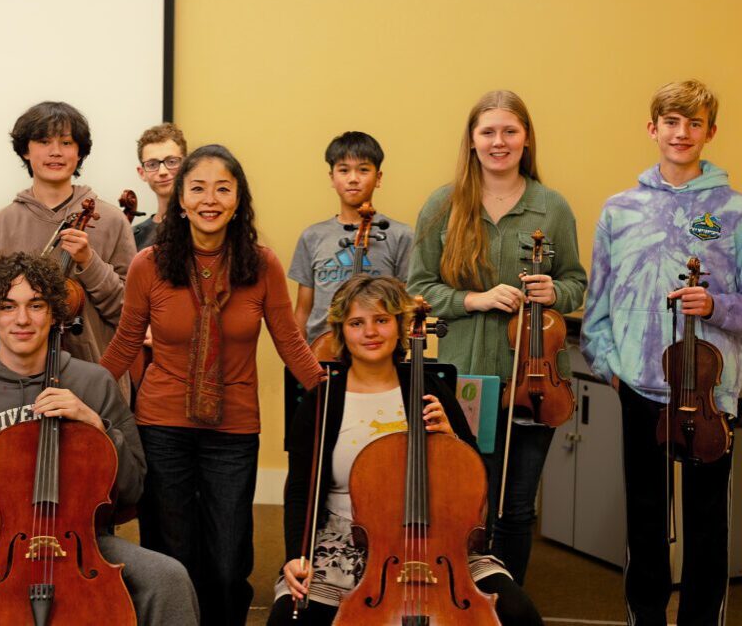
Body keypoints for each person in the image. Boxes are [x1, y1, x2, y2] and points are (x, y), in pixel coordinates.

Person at [0, 253, 198, 625]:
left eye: (35, 305)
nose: (22, 319)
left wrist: (95, 425)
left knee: (169, 579)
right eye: (8, 307)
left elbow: (133, 490)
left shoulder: (92, 383)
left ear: (54, 314)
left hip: (81, 543)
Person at [100, 144, 324, 625]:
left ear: (239, 200)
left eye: (223, 188)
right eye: (197, 188)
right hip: (162, 427)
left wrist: (340, 395)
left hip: (234, 431)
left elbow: (290, 343)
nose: (210, 198)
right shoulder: (149, 264)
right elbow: (123, 348)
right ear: (179, 199)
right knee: (172, 556)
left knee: (227, 563)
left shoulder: (261, 265)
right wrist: (77, 394)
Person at [270, 275, 543, 626]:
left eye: (381, 320)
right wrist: (296, 555)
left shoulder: (428, 388)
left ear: (400, 326)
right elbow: (298, 491)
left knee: (519, 613)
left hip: (437, 535)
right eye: (357, 323)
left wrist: (452, 441)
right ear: (342, 331)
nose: (370, 332)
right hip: (343, 539)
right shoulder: (321, 401)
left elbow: (476, 475)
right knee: (288, 619)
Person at [407, 90, 587, 585]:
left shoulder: (551, 207)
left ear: (526, 138)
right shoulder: (443, 204)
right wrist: (475, 300)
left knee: (517, 509)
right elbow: (416, 287)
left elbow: (576, 282)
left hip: (535, 381)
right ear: (471, 140)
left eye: (510, 131)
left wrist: (555, 289)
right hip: (467, 378)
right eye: (488, 132)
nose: (498, 141)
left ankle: (508, 606)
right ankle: (458, 601)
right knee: (464, 503)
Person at [582, 79, 740, 625]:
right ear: (653, 129)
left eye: (694, 123)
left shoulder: (733, 211)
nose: (682, 133)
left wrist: (716, 305)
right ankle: (643, 618)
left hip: (711, 393)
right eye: (671, 122)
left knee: (706, 522)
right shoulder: (620, 209)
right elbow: (596, 298)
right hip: (641, 386)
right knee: (645, 518)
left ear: (710, 133)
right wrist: (611, 368)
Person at [0, 101, 135, 372]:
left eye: (66, 143)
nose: (55, 152)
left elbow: (129, 315)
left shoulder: (112, 222)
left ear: (80, 152)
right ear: (25, 151)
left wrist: (90, 263)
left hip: (96, 379)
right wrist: (1, 370)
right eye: (43, 141)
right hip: (15, 387)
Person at [289, 131, 413, 344]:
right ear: (332, 177)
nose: (353, 179)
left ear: (378, 178)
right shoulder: (312, 236)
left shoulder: (400, 235)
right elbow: (303, 310)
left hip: (377, 348)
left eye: (363, 170)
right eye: (344, 170)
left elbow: (404, 307)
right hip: (322, 351)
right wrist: (297, 366)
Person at [132, 122, 188, 250]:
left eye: (172, 162)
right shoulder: (134, 237)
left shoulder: (201, 225)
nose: (163, 172)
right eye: (152, 164)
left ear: (187, 164)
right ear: (142, 173)